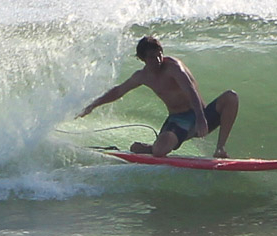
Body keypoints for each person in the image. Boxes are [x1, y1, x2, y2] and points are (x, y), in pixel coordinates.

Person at [78, 36, 240, 158]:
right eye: (151, 57)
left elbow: (191, 91)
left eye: (159, 54)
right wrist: (93, 105)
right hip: (178, 120)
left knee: (231, 97)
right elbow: (118, 91)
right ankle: (151, 148)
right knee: (160, 151)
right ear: (142, 59)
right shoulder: (142, 76)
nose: (157, 60)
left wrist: (200, 117)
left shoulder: (174, 68)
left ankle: (220, 149)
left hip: (199, 116)